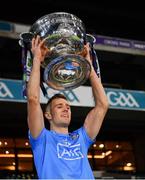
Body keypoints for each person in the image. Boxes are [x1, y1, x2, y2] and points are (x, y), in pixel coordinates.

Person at [27, 35, 109, 179]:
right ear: (48, 115)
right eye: (59, 106)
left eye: (67, 107)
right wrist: (36, 60)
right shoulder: (42, 138)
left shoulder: (81, 138)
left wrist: (88, 66)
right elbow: (33, 100)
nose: (66, 109)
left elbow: (103, 105)